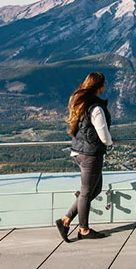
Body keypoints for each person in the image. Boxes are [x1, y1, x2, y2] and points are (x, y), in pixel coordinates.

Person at [56, 72, 113, 241]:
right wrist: (109, 143)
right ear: (99, 87)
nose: (105, 87)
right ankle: (83, 229)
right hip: (90, 154)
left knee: (94, 189)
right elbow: (102, 132)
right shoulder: (95, 107)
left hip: (79, 151)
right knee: (87, 192)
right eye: (104, 84)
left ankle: (66, 220)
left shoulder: (81, 104)